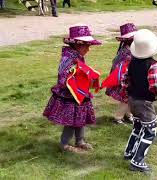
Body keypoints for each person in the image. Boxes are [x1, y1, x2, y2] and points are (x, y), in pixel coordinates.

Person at [43, 25, 102, 153]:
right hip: (70, 95)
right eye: (87, 46)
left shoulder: (77, 56)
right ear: (78, 45)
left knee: (81, 116)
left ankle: (80, 141)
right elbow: (63, 77)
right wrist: (74, 83)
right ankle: (64, 144)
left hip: (80, 94)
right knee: (71, 120)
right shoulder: (68, 58)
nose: (88, 49)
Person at [121, 29, 157, 172]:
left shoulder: (132, 62)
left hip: (133, 100)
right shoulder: (154, 65)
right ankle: (138, 161)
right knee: (150, 130)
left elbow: (125, 80)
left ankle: (129, 152)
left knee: (138, 126)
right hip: (145, 102)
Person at [105, 23, 137, 124]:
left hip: (128, 78)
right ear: (129, 40)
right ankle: (118, 118)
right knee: (126, 99)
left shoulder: (129, 50)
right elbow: (120, 68)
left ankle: (128, 115)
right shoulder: (126, 53)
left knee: (129, 98)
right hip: (124, 80)